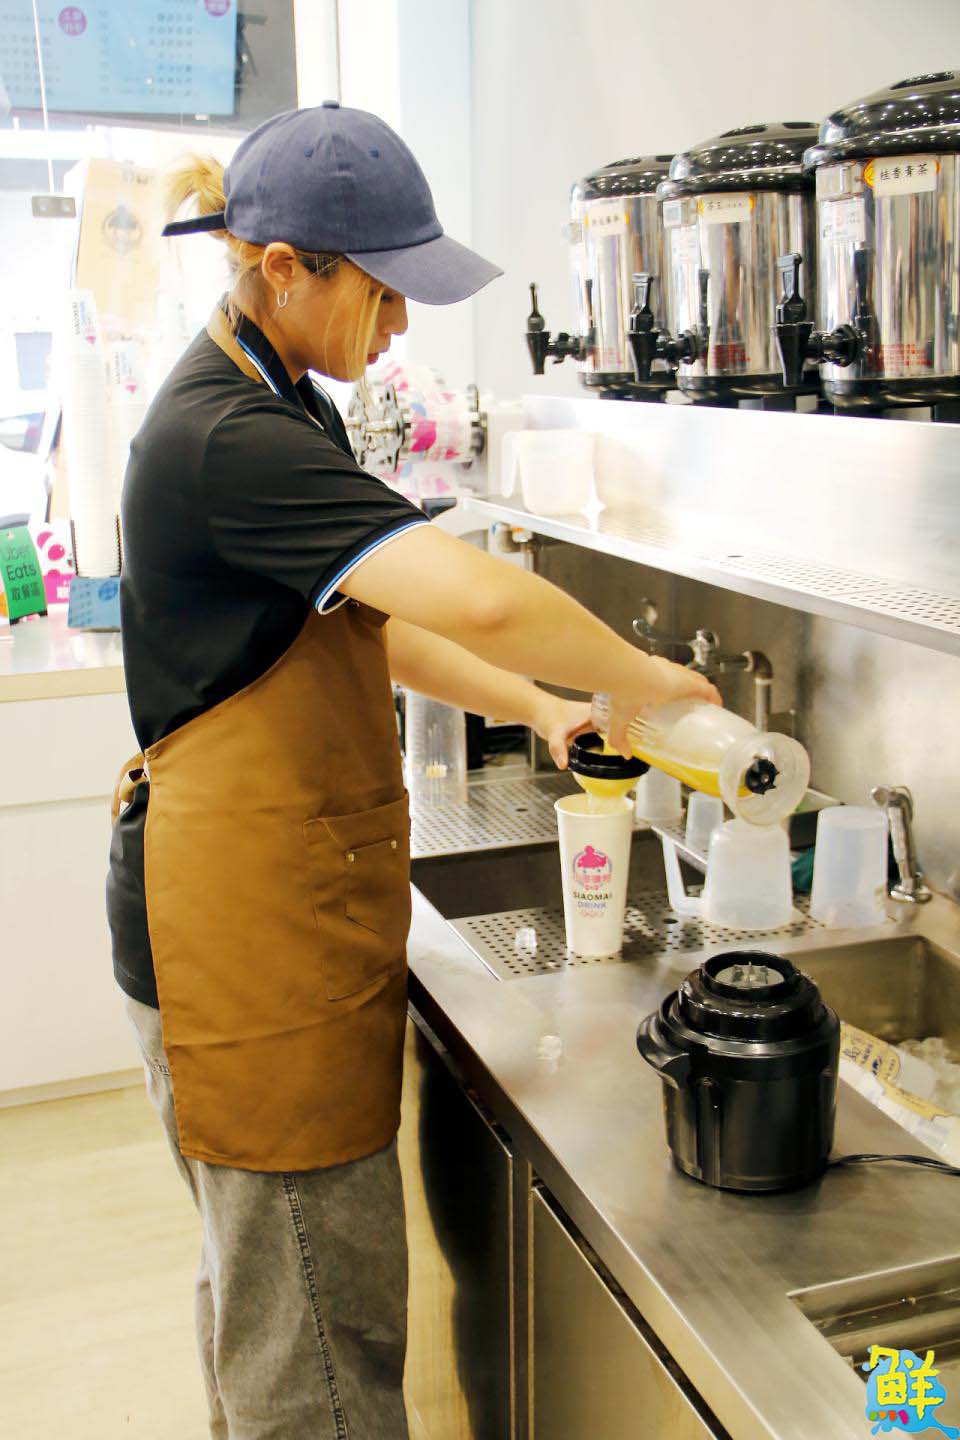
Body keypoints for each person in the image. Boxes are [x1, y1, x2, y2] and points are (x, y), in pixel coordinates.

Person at [107, 102, 718, 1440]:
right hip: (242, 948)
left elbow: (382, 630)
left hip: (264, 913)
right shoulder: (235, 439)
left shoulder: (278, 403)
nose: (399, 329)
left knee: (280, 1308)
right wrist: (646, 680)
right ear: (286, 270)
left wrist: (550, 711)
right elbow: (482, 598)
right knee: (317, 1344)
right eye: (384, 293)